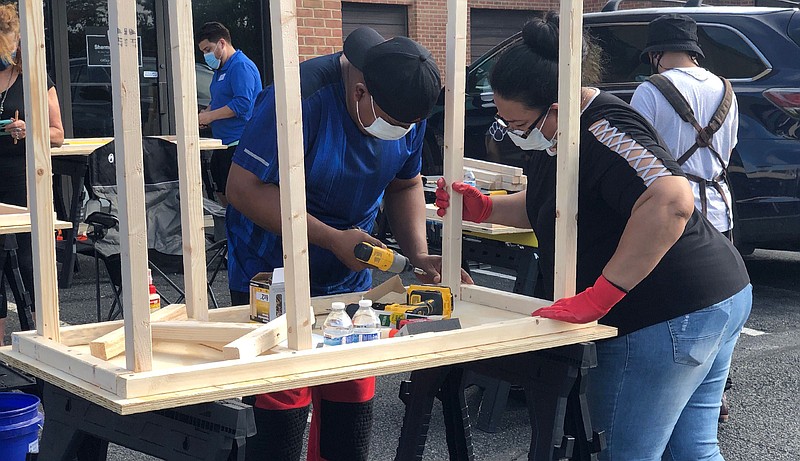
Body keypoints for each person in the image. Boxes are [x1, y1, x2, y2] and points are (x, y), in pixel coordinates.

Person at [435, 13, 751, 460]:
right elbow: (551, 204)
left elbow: (672, 200)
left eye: (516, 124)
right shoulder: (556, 137)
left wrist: (602, 295)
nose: (510, 134)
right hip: (712, 294)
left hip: (670, 308)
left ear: (557, 108)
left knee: (625, 451)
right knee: (691, 449)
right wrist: (486, 208)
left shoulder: (605, 129)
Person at [225, 27, 470, 460]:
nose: (400, 132)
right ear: (360, 92)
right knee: (281, 405)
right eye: (392, 124)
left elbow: (405, 183)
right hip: (273, 269)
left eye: (407, 127)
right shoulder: (300, 97)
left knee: (351, 397)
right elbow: (244, 189)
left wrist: (416, 253)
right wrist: (332, 238)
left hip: (350, 277)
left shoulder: (406, 102)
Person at [631, 13, 740, 424]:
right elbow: (729, 150)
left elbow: (638, 155)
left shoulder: (651, 90)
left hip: (671, 212)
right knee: (715, 302)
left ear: (656, 54)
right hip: (720, 208)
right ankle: (715, 395)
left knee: (671, 308)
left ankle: (669, 398)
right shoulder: (726, 90)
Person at [0, 2, 64, 345]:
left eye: (4, 46)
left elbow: (58, 133)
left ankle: (47, 340)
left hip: (22, 177)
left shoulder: (34, 76)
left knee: (30, 258)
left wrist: (29, 130)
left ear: (17, 41)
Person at [195, 21, 261, 207]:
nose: (206, 55)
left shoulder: (241, 66)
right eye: (203, 52)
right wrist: (207, 112)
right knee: (219, 188)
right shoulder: (221, 69)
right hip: (223, 143)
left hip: (239, 143)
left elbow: (242, 104)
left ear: (222, 43)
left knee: (236, 196)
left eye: (208, 49)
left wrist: (211, 116)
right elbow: (221, 100)